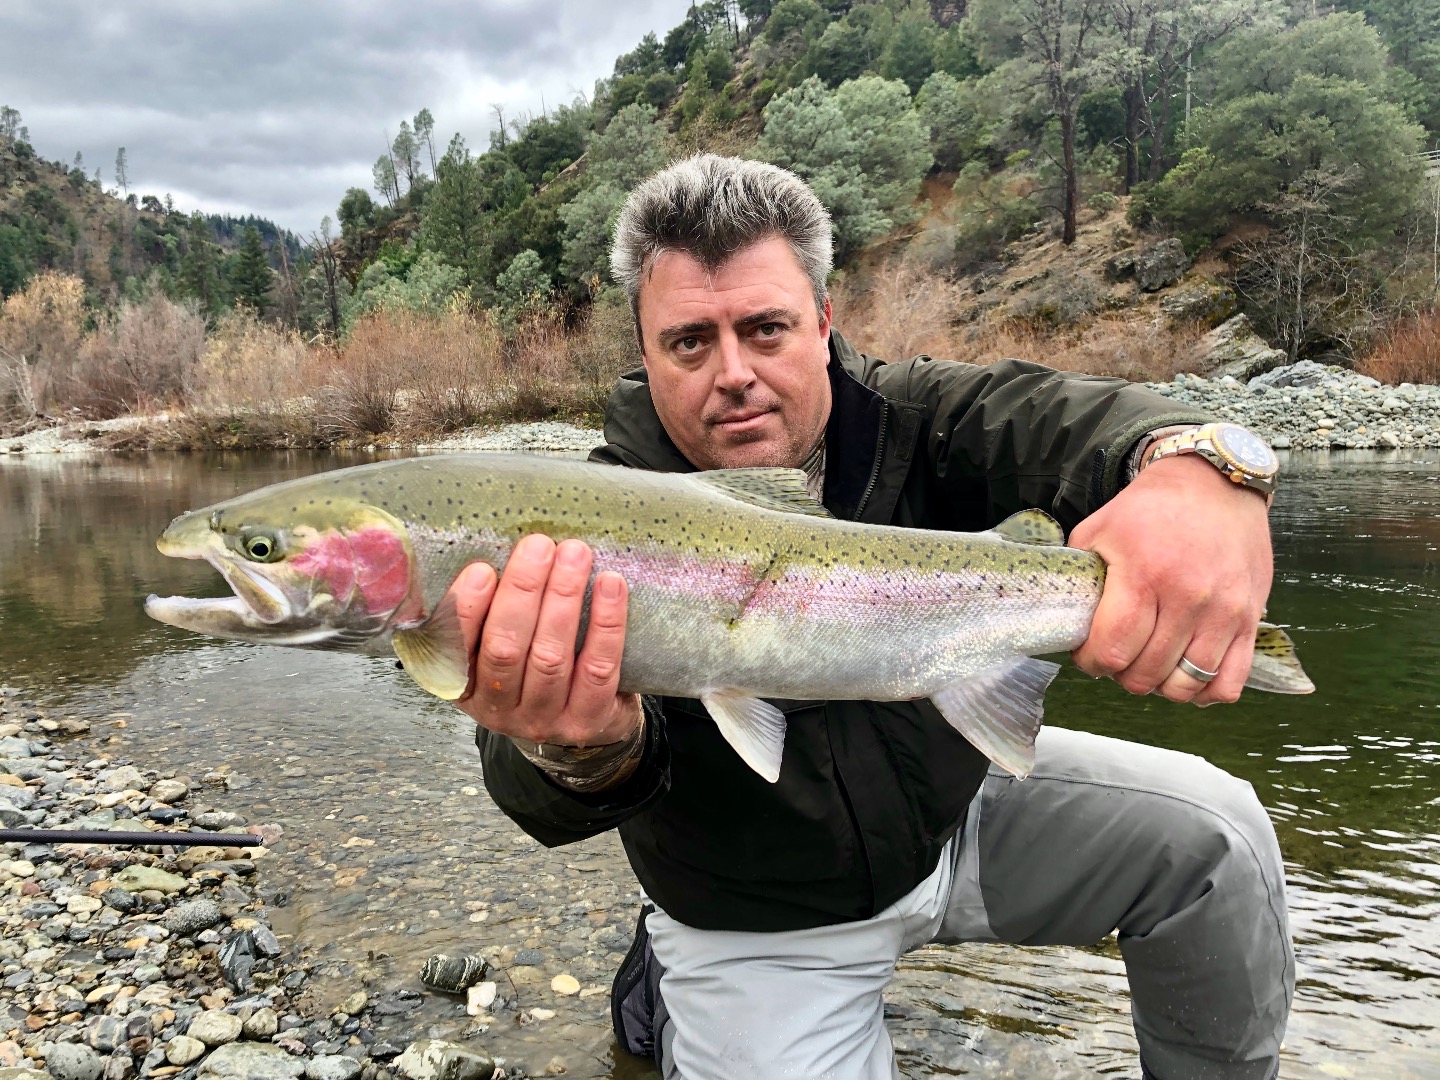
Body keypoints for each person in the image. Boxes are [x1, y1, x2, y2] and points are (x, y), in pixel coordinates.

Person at [442, 155, 1293, 1080]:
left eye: (765, 329)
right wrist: (581, 749)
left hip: (952, 824)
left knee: (1223, 838)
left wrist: (1205, 470)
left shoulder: (917, 415)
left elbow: (1083, 419)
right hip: (751, 913)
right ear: (644, 356)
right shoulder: (580, 517)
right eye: (690, 342)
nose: (734, 374)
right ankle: (666, 976)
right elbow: (524, 792)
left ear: (822, 321)